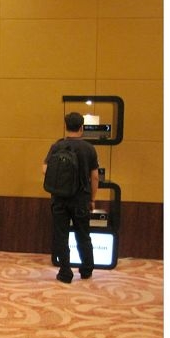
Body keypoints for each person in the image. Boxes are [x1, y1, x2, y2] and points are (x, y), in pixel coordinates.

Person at [42, 112, 100, 284]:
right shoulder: (89, 149)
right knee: (83, 235)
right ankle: (86, 270)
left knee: (61, 236)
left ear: (65, 126)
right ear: (82, 127)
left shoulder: (57, 146)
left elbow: (44, 170)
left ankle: (65, 272)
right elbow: (95, 177)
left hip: (59, 198)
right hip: (81, 199)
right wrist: (92, 199)